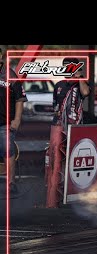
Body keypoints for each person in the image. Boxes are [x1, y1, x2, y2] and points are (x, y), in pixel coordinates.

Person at [0, 46, 28, 194]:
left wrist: (17, 119)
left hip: (5, 123)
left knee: (7, 150)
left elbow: (20, 98)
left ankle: (10, 183)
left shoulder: (10, 75)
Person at [52, 57, 91, 126]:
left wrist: (79, 77)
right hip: (59, 123)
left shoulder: (80, 84)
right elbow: (55, 104)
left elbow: (85, 92)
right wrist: (56, 113)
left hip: (75, 123)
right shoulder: (58, 85)